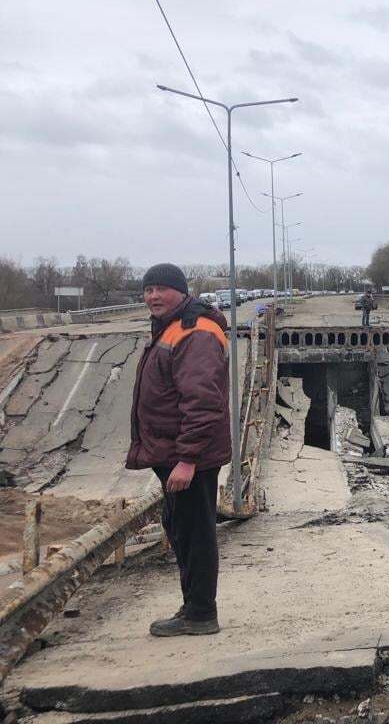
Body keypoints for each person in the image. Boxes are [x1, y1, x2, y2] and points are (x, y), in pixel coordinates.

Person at [126, 263, 231, 636]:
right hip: (175, 454)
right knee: (183, 530)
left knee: (195, 533)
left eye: (161, 289)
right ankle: (195, 608)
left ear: (181, 292)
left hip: (188, 457)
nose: (153, 296)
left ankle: (201, 614)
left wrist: (187, 459)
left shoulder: (195, 332)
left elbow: (203, 402)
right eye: (148, 289)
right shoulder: (171, 327)